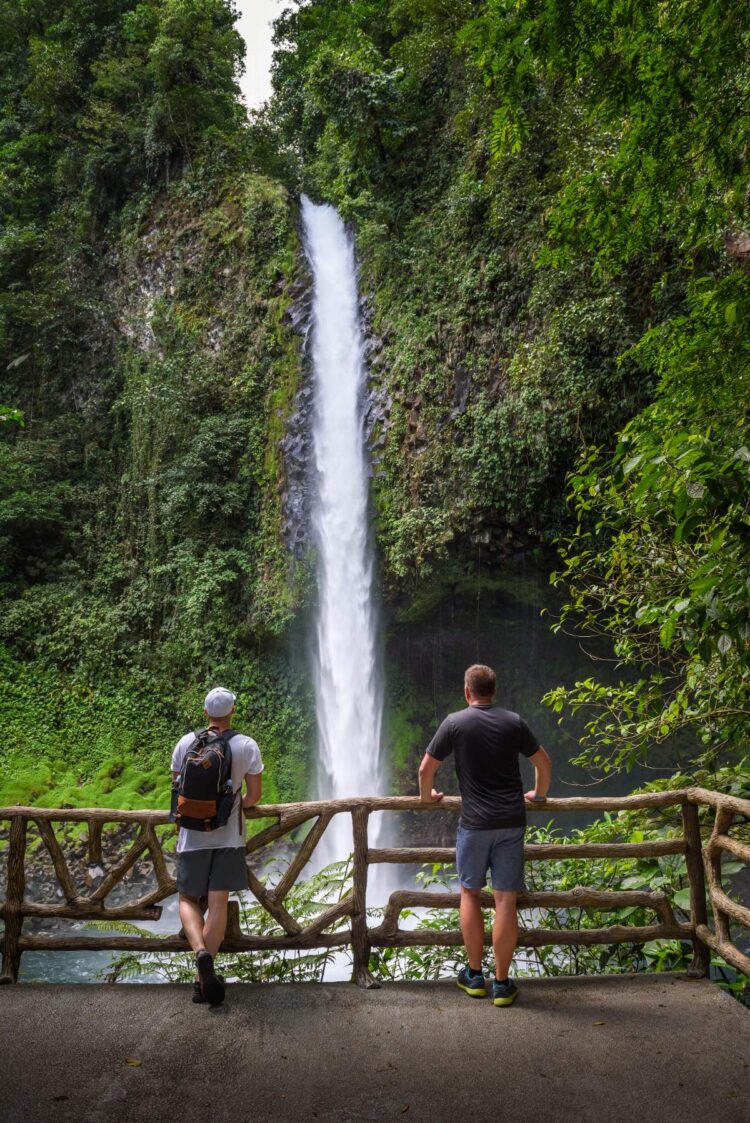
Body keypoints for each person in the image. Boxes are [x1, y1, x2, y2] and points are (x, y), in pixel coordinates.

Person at [418, 664, 552, 1007]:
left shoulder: (454, 723)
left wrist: (426, 796)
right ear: (494, 691)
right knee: (505, 899)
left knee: (469, 894)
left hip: (475, 824)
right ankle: (503, 984)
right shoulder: (513, 722)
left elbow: (426, 769)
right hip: (510, 821)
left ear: (467, 692)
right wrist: (538, 795)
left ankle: (475, 976)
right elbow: (543, 763)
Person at [171, 686, 263, 1006]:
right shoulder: (246, 746)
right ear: (232, 711)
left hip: (191, 836)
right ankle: (201, 980)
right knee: (218, 902)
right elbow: (254, 797)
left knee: (186, 898)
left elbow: (176, 787)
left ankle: (199, 954)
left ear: (206, 712)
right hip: (228, 837)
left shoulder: (186, 742)